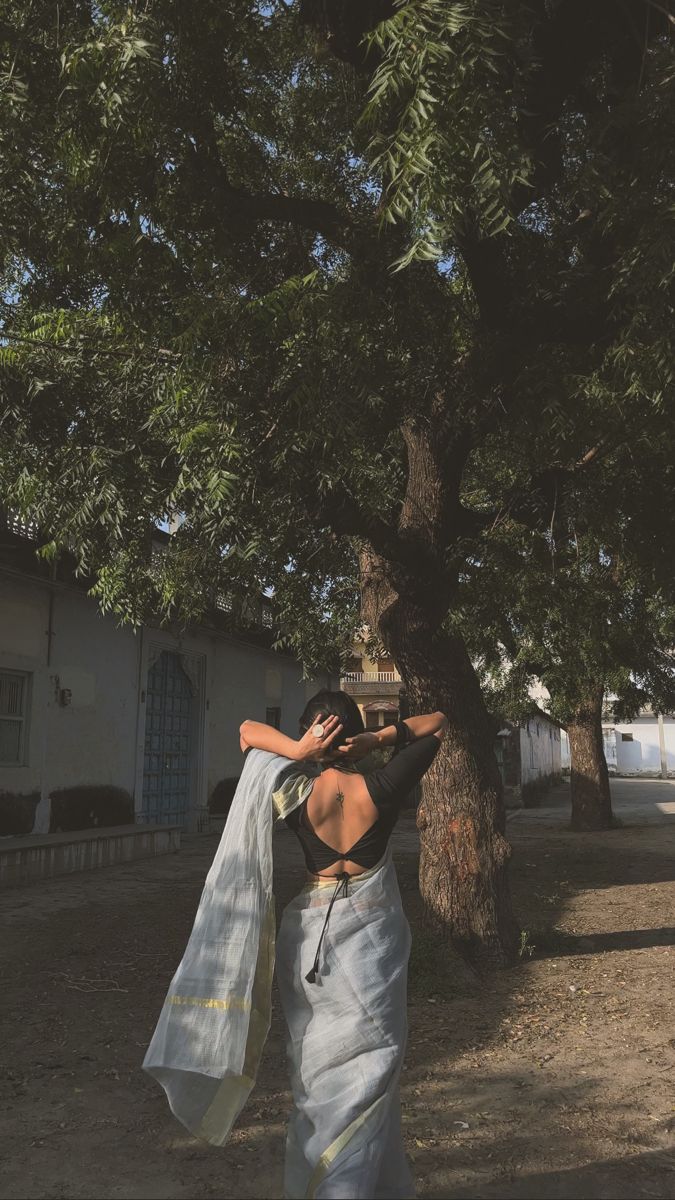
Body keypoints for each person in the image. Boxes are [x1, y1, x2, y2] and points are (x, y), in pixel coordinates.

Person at [143, 688, 447, 1200]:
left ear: (310, 733)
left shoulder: (288, 785)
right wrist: (376, 738)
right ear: (351, 737)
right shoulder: (386, 782)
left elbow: (245, 732)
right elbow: (435, 725)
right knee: (371, 1071)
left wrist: (299, 751)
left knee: (316, 1073)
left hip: (308, 941)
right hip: (373, 938)